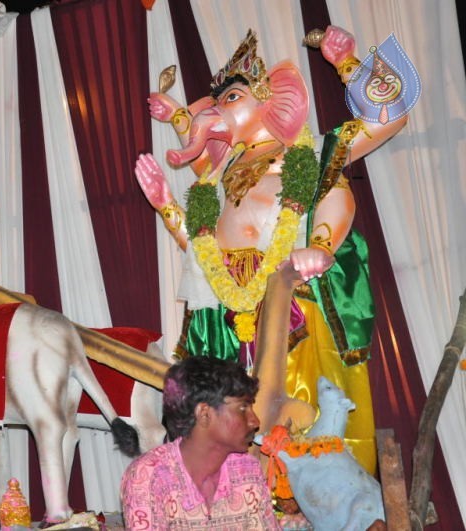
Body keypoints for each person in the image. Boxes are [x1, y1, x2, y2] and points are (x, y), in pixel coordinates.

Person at [136, 25, 409, 475]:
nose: (216, 111)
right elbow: (201, 252)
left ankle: (309, 503)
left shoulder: (310, 154)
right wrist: (166, 206)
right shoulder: (220, 177)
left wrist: (346, 62)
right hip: (227, 311)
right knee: (229, 417)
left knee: (301, 417)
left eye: (231, 99)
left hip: (289, 293)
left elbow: (388, 119)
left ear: (272, 101)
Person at [120, 354, 278, 529]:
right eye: (242, 407)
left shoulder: (247, 470)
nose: (254, 421)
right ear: (204, 413)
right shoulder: (150, 476)